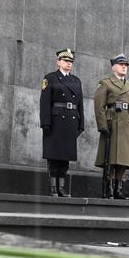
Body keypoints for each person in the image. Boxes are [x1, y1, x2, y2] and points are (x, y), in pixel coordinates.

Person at [94, 54, 129, 199]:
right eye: (121, 65)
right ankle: (108, 188)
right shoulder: (106, 83)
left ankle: (118, 188)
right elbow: (99, 107)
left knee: (123, 161)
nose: (124, 67)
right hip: (112, 124)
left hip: (127, 126)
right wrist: (102, 126)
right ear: (113, 67)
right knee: (112, 159)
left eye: (126, 65)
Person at [39, 48, 84, 197]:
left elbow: (80, 104)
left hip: (71, 121)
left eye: (70, 61)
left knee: (65, 157)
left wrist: (81, 123)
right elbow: (44, 102)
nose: (68, 64)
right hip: (56, 121)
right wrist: (45, 122)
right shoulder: (50, 78)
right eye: (65, 61)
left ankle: (62, 188)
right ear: (58, 62)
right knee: (54, 156)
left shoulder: (76, 81)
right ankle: (53, 187)